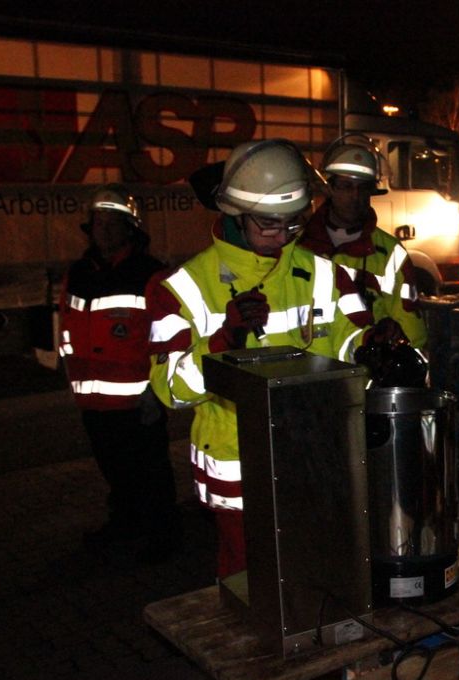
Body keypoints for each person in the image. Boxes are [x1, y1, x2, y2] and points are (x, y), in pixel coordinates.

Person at [146, 139, 378, 578]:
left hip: (316, 457)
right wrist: (222, 342)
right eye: (271, 224)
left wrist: (372, 349)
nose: (284, 235)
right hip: (240, 470)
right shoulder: (181, 287)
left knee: (321, 573)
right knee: (252, 581)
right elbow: (172, 391)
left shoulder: (326, 274)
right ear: (235, 213)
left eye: (295, 223)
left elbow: (350, 346)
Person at [58, 185, 182, 563]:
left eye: (114, 223)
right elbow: (67, 328)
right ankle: (125, 524)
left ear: (130, 228)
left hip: (137, 401)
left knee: (151, 472)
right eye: (99, 223)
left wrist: (156, 393)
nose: (106, 230)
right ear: (90, 227)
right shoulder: (78, 274)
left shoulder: (150, 274)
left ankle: (162, 536)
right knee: (114, 470)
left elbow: (169, 338)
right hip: (93, 402)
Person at [298, 133, 427, 350]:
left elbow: (412, 330)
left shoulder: (389, 252)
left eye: (363, 187)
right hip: (312, 373)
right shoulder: (299, 245)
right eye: (347, 186)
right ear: (330, 188)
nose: (355, 196)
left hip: (368, 375)